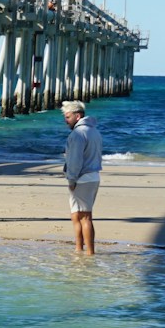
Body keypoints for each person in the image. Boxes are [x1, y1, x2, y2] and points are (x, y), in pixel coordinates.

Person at [62, 100, 102, 255]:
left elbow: (75, 160)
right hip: (93, 176)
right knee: (76, 215)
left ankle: (89, 252)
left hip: (82, 177)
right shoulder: (94, 131)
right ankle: (79, 249)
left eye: (68, 117)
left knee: (85, 217)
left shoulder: (78, 134)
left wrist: (71, 179)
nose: (66, 121)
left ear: (77, 116)